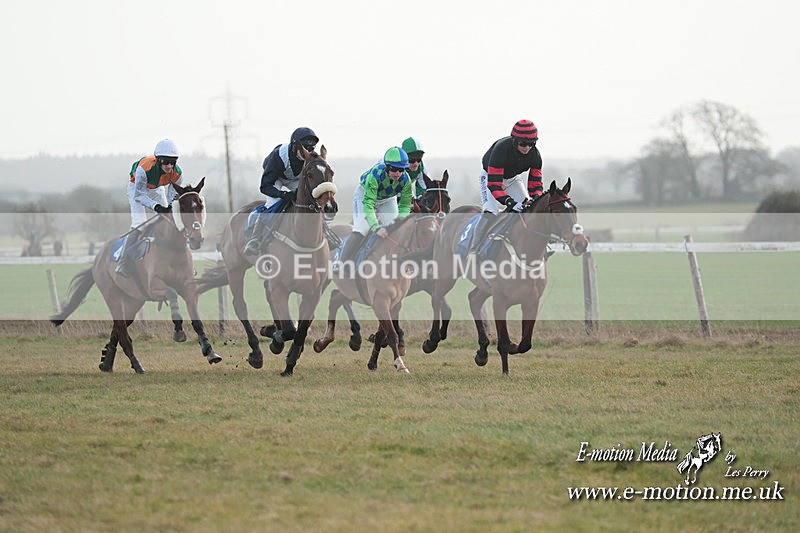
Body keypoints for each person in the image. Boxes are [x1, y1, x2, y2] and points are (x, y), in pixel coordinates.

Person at [469, 119, 543, 256]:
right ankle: (473, 249)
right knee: (491, 211)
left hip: (512, 178)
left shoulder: (535, 155)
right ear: (515, 141)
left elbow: (535, 184)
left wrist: (537, 198)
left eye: (531, 144)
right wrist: (510, 202)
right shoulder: (501, 150)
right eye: (523, 144)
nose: (527, 148)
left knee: (529, 209)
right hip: (490, 177)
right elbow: (495, 185)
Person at [336, 146, 413, 275]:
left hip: (387, 199)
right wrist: (376, 227)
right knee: (362, 229)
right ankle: (343, 264)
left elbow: (405, 206)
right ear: (387, 166)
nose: (398, 173)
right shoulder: (376, 174)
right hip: (365, 196)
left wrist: (398, 223)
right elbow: (369, 203)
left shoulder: (406, 180)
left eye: (401, 170)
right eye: (394, 169)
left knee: (395, 230)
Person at [243, 127, 320, 255]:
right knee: (273, 204)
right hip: (276, 177)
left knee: (310, 201)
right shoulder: (277, 158)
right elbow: (264, 187)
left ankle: (324, 232)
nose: (308, 152)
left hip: (295, 179)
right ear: (295, 147)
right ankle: (255, 239)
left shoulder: (311, 157)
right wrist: (283, 194)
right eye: (304, 149)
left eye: (311, 149)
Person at [117, 138, 183, 276]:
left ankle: (180, 260)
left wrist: (168, 207)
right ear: (158, 160)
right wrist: (156, 207)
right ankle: (123, 263)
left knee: (169, 220)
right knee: (139, 223)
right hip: (137, 188)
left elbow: (172, 195)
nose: (169, 166)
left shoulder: (177, 174)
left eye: (173, 162)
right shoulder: (144, 168)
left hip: (156, 189)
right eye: (166, 161)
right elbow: (139, 195)